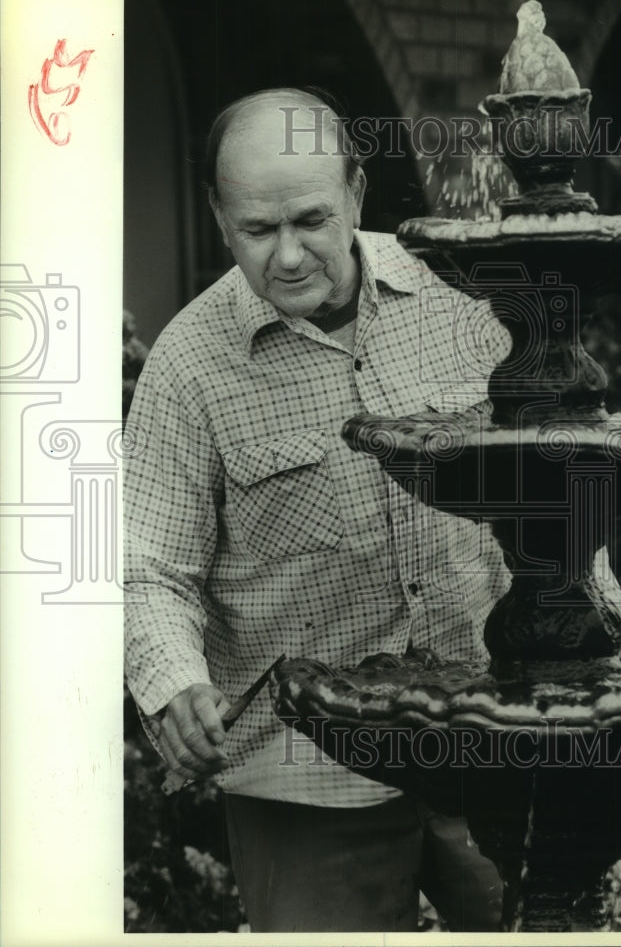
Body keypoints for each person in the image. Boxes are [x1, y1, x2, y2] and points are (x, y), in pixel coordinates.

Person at [124, 88, 512, 932]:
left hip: (493, 740)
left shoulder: (464, 302)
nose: (290, 256)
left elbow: (549, 484)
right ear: (220, 218)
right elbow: (147, 566)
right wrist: (173, 682)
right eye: (258, 232)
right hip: (303, 777)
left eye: (310, 220)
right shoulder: (188, 368)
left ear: (358, 196)